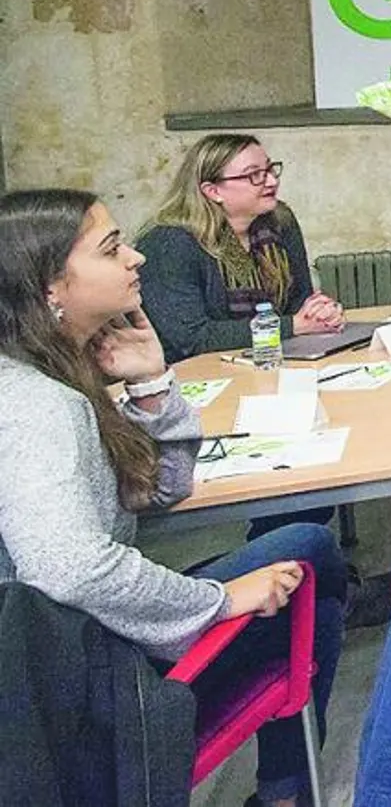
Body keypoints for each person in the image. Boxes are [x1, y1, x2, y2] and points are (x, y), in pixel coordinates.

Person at [0, 189, 345, 807]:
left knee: (308, 554)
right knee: (309, 580)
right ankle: (285, 794)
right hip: (80, 688)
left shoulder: (53, 372)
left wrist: (154, 384)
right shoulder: (36, 405)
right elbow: (69, 569)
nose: (136, 259)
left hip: (79, 648)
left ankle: (284, 792)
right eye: (112, 249)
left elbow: (158, 487)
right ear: (50, 286)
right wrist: (217, 600)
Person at [139, 134, 344, 365]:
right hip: (197, 373)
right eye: (254, 175)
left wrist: (321, 313)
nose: (271, 182)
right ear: (212, 191)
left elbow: (299, 302)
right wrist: (293, 325)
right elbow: (192, 338)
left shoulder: (280, 221)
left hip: (278, 360)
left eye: (270, 169)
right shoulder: (169, 242)